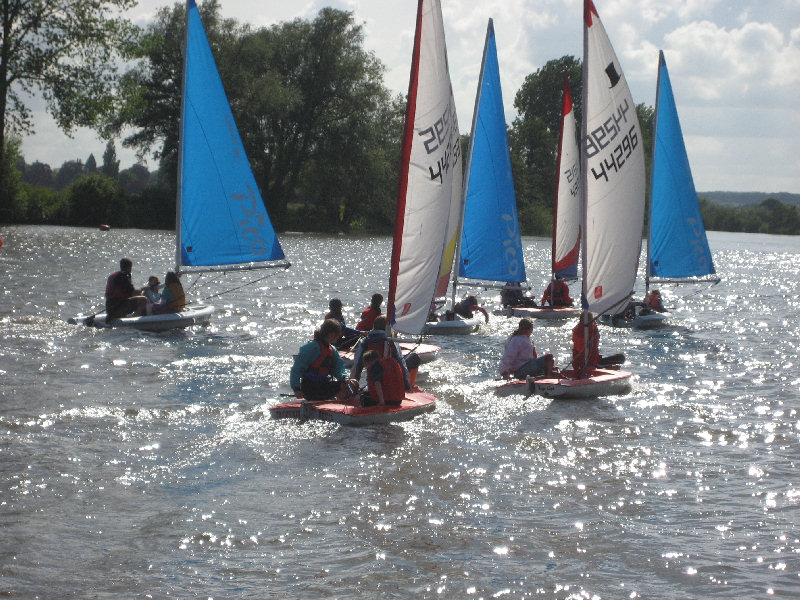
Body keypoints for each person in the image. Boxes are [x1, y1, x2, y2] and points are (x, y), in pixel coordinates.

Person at [290, 319, 359, 401]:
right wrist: (297, 389)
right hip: (310, 386)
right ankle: (329, 403)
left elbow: (339, 368)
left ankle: (339, 405)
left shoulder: (332, 350)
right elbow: (296, 370)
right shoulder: (311, 347)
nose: (339, 338)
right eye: (338, 336)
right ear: (331, 335)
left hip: (323, 385)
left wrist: (345, 378)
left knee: (353, 384)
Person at [350, 315, 419, 390]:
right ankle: (410, 386)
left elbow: (357, 367)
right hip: (390, 381)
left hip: (373, 380)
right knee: (415, 357)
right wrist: (406, 386)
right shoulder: (390, 341)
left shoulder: (364, 342)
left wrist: (353, 388)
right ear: (388, 328)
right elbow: (402, 365)